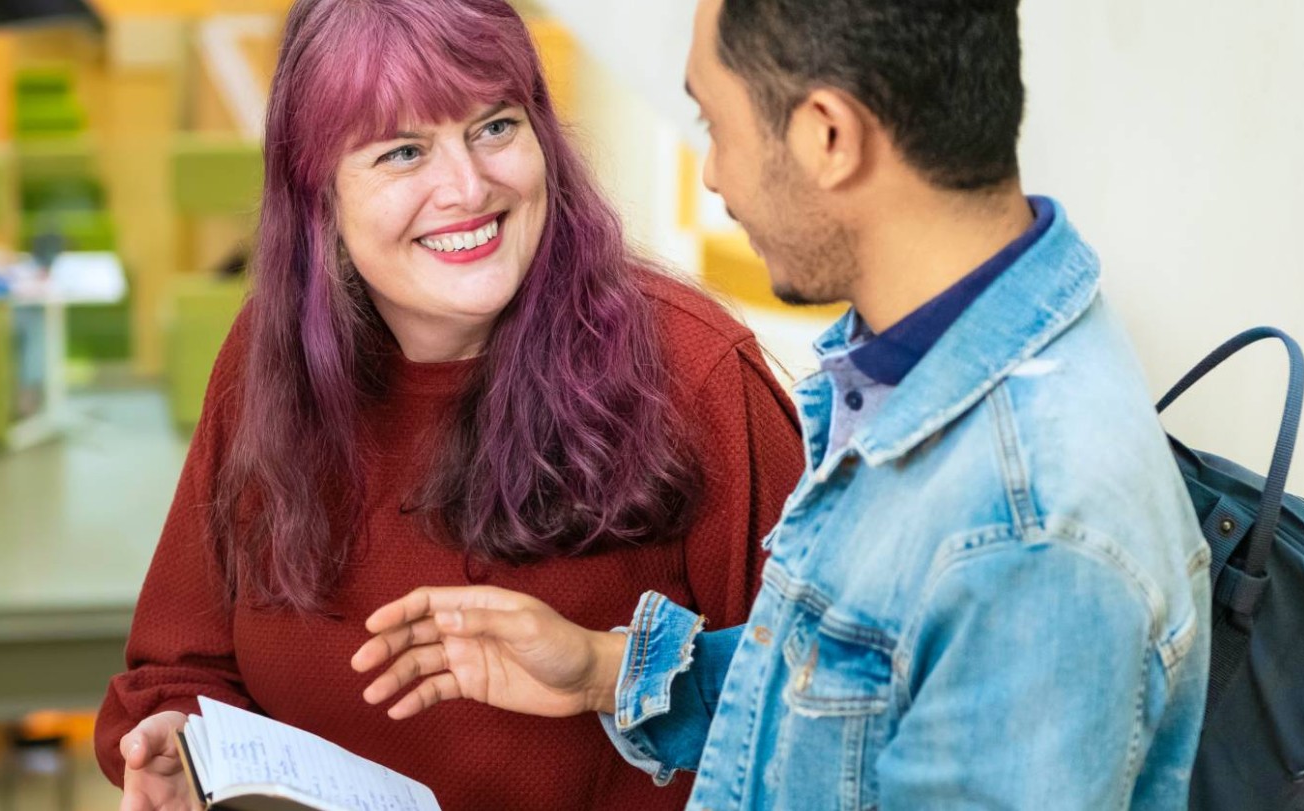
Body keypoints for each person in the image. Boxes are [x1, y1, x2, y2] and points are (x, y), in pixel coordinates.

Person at [355, 0, 1214, 807]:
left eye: (714, 125)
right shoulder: (920, 365)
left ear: (828, 137)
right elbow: (855, 692)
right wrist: (603, 670)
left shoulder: (1030, 538)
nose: (717, 174)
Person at [95, 1, 805, 809]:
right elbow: (179, 670)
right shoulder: (269, 354)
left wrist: (612, 672)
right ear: (319, 195)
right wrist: (176, 741)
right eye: (403, 151)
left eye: (495, 126)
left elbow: (829, 714)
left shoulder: (694, 372)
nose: (467, 187)